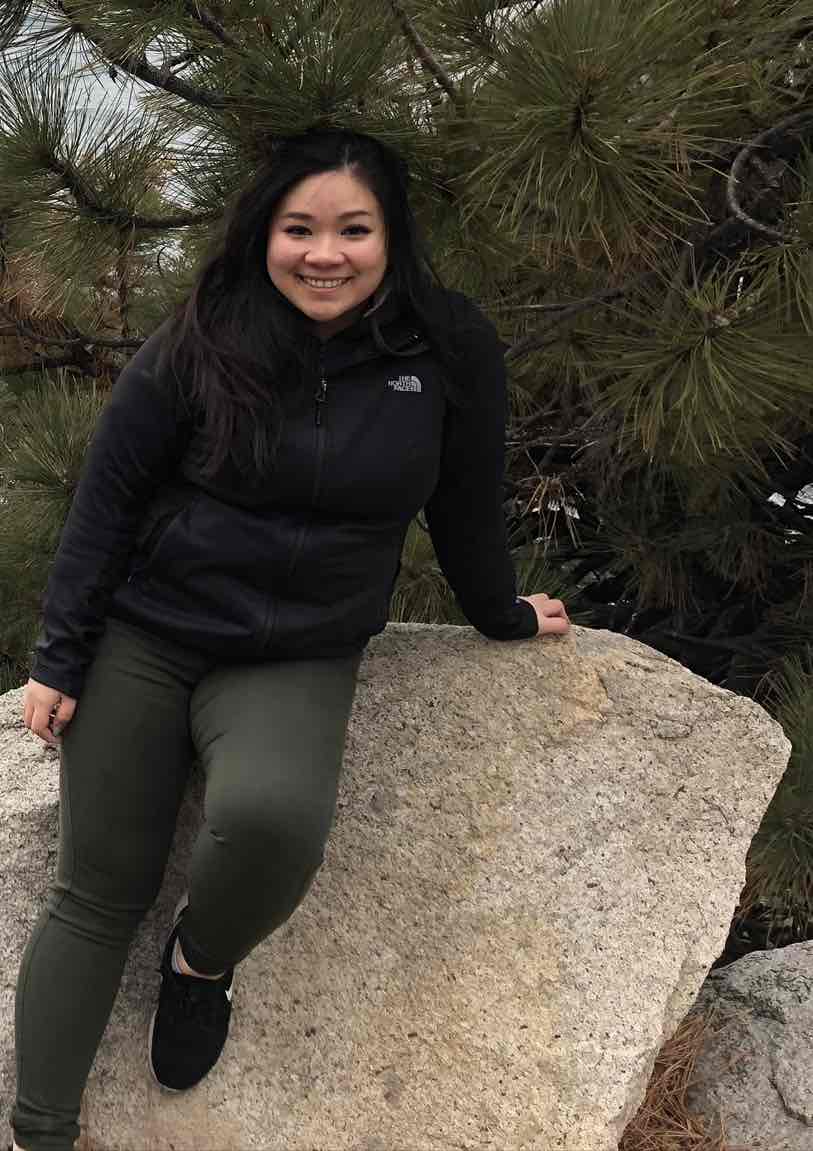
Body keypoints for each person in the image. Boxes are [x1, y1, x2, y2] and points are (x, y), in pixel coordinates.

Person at [13, 128, 570, 1151]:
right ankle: (38, 1131)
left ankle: (200, 962)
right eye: (298, 229)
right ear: (262, 234)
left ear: (392, 236)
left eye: (353, 230)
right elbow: (108, 495)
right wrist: (61, 655)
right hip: (150, 631)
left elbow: (464, 503)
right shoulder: (205, 333)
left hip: (297, 650)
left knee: (272, 822)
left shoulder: (446, 346)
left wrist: (501, 611)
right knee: (98, 890)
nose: (325, 255)